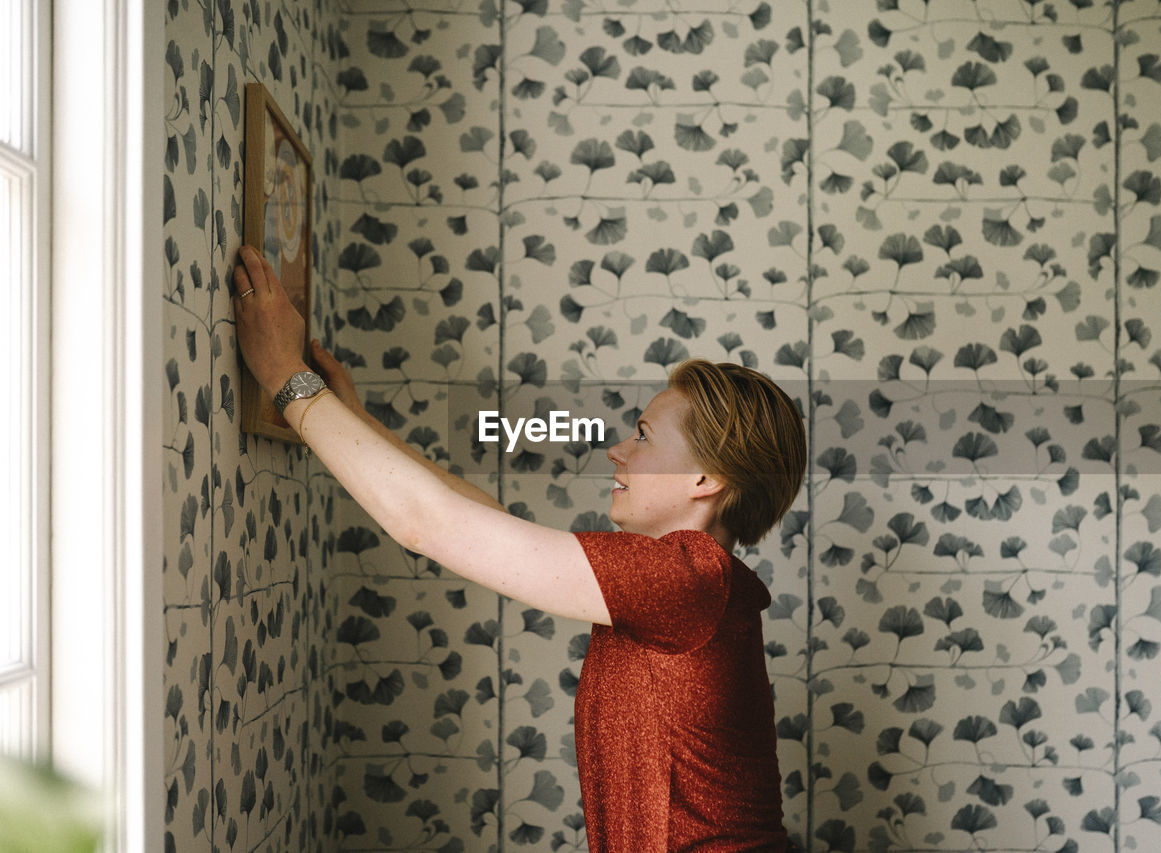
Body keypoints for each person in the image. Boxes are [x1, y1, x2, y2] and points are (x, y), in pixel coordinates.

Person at [233, 245, 806, 851]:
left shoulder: (687, 579)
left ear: (705, 480)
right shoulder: (688, 580)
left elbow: (426, 525)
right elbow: (485, 521)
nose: (618, 450)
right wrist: (355, 419)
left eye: (643, 436)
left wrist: (282, 376)